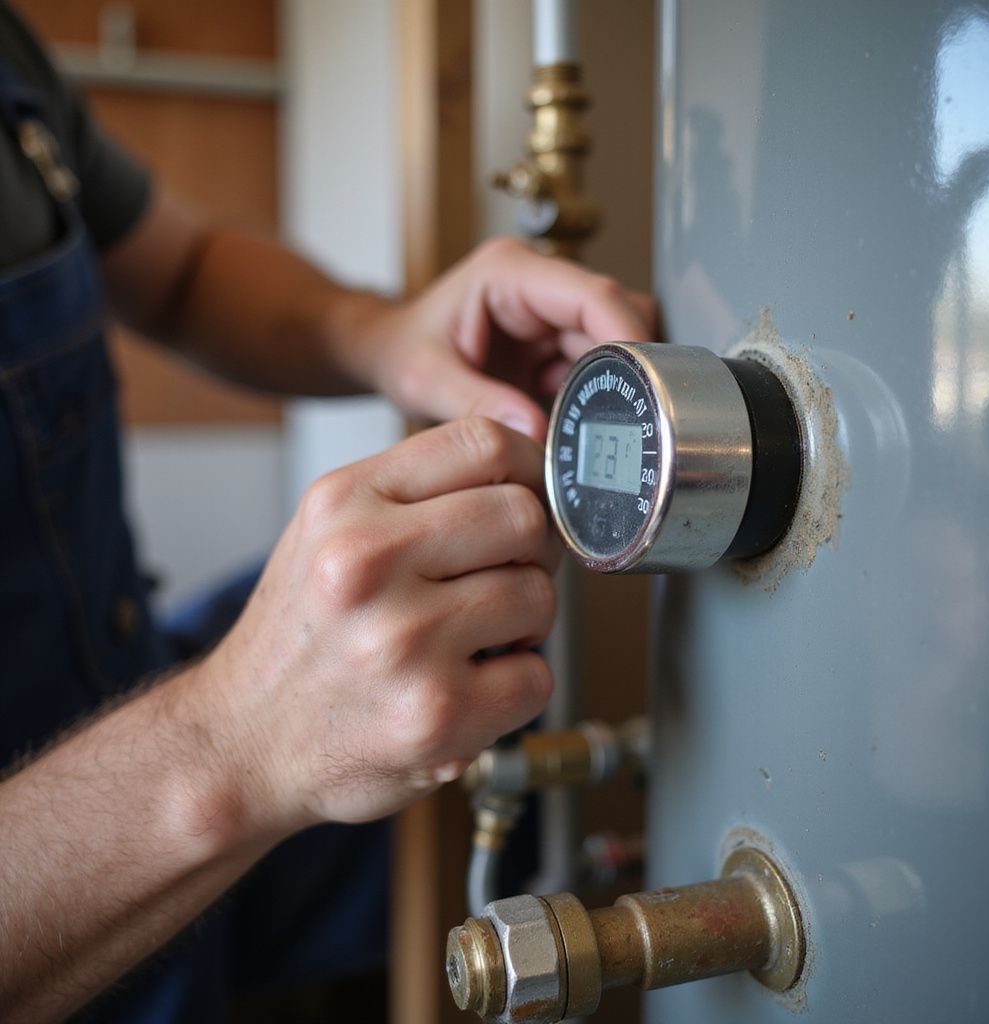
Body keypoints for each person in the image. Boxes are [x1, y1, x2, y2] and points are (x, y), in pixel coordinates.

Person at [0, 4, 653, 1022]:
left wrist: (391, 333)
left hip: (133, 676)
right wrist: (230, 746)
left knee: (533, 790)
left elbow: (178, 269)